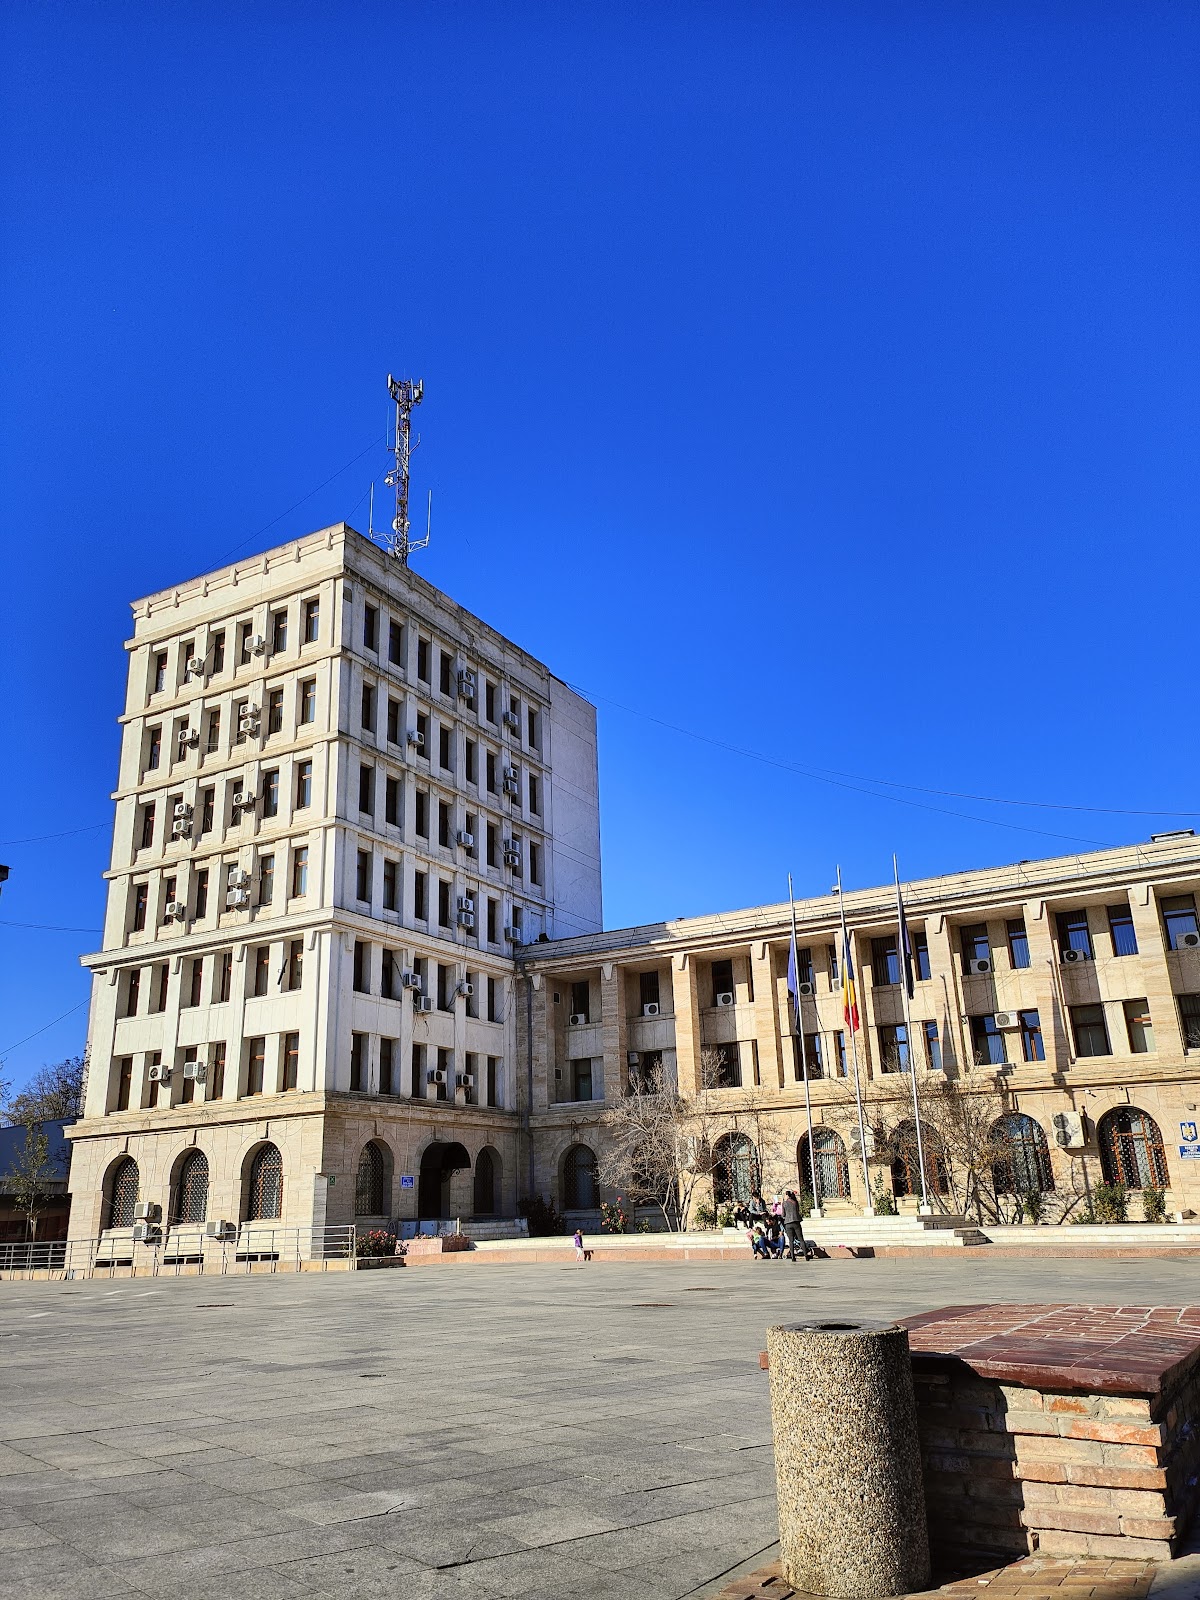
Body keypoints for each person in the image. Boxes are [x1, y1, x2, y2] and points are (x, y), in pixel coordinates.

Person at [781, 1189, 811, 1263]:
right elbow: (797, 1211)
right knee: (801, 1239)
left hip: (788, 1223)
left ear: (787, 1195)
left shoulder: (784, 1203)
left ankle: (793, 1257)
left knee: (791, 1240)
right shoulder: (795, 1202)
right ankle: (806, 1255)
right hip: (796, 1222)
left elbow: (783, 1214)